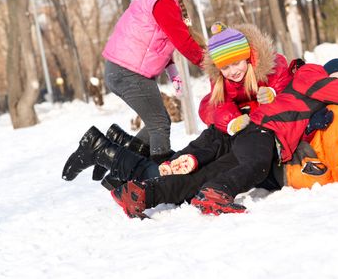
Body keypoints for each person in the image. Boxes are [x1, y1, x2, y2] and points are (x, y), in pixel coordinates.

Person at [103, 58, 338, 218]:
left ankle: (141, 194)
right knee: (255, 166)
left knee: (201, 179)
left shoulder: (317, 97)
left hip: (249, 131)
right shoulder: (312, 73)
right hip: (262, 130)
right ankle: (219, 192)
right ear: (333, 71)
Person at [62, 22, 292, 190]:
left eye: (236, 64)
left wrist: (267, 96)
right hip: (230, 136)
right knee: (183, 173)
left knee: (185, 171)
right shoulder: (228, 80)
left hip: (240, 138)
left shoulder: (268, 72)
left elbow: (281, 82)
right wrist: (233, 120)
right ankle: (107, 153)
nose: (233, 71)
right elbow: (213, 106)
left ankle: (118, 148)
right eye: (226, 67)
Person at [100, 0, 204, 167]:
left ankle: (116, 161)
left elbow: (159, 42)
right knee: (159, 123)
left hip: (124, 69)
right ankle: (159, 177)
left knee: (157, 121)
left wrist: (173, 72)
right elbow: (181, 39)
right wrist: (210, 64)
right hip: (128, 71)